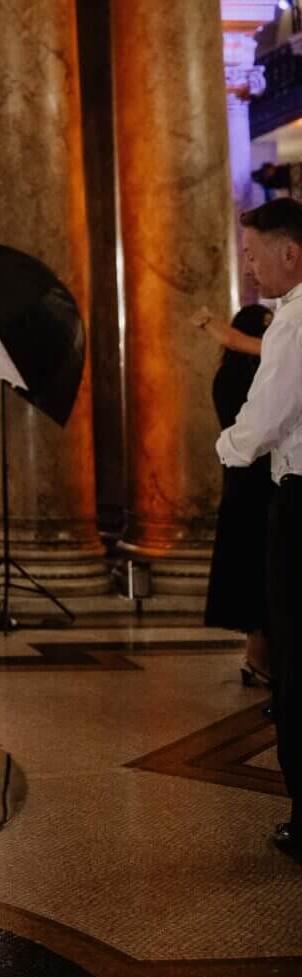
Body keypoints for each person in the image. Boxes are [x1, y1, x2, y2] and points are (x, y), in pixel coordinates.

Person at [215, 200, 302, 864]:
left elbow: (265, 415)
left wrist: (228, 447)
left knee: (293, 653)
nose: (247, 266)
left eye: (252, 253)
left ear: (289, 254)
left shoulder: (293, 321)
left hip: (298, 501)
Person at [196, 303, 272, 683]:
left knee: (258, 571)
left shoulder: (246, 373)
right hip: (251, 486)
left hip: (251, 484)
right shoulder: (236, 378)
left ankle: (259, 658)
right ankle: (257, 659)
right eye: (265, 329)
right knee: (254, 572)